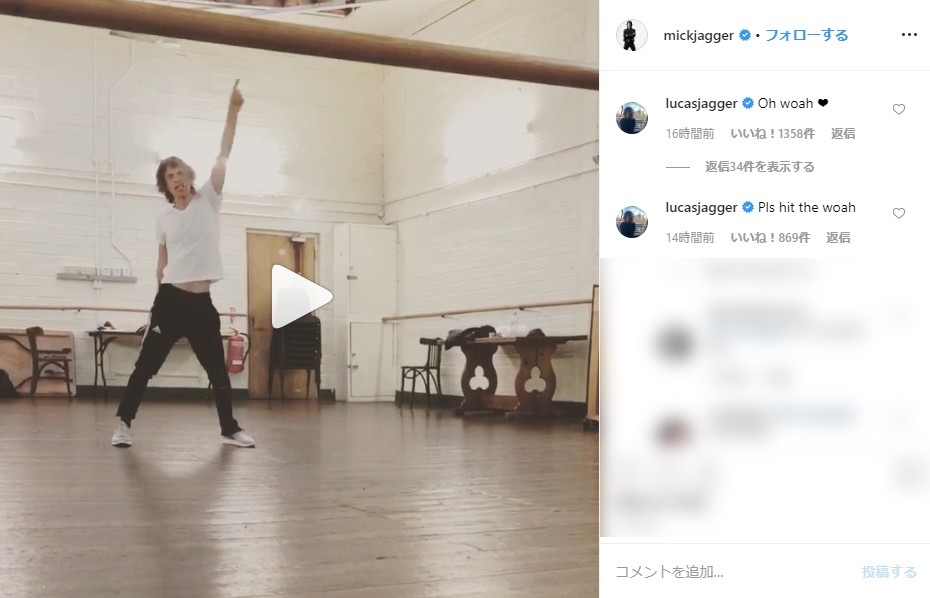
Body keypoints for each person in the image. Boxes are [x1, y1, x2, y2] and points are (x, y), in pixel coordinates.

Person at [111, 80, 255, 449]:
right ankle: (123, 423)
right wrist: (156, 306)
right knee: (146, 367)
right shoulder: (163, 218)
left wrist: (232, 111)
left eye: (180, 174)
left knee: (218, 371)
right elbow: (161, 266)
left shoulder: (209, 199)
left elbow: (224, 152)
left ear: (191, 176)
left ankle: (229, 429)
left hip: (202, 303)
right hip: (171, 301)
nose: (176, 180)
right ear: (166, 185)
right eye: (169, 177)